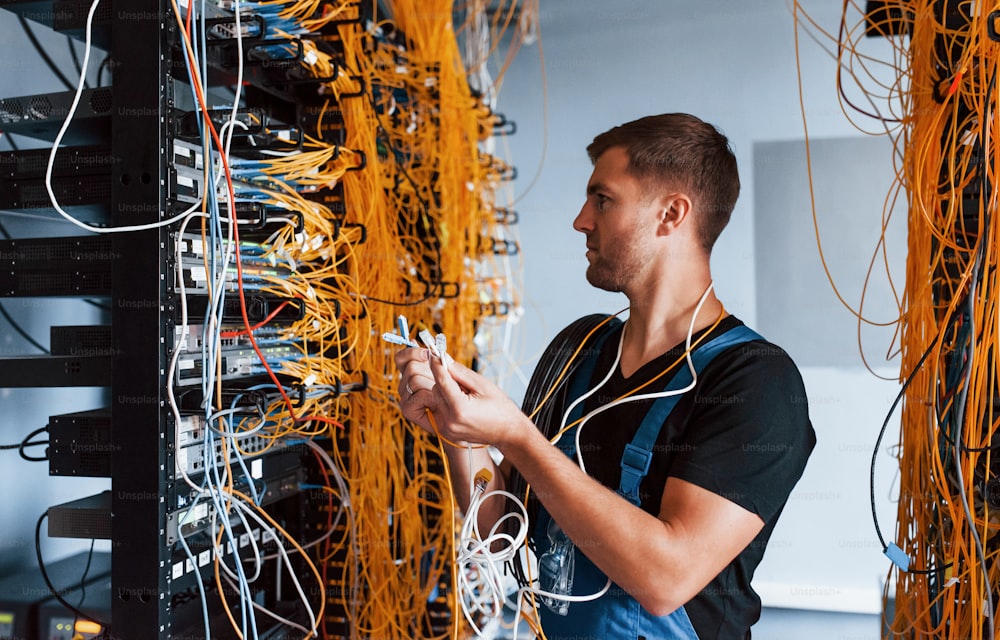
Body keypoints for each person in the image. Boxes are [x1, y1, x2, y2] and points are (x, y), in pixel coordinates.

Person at [394, 113, 816, 639]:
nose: (581, 220)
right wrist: (461, 435)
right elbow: (500, 530)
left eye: (603, 199)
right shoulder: (579, 350)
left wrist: (517, 437)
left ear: (670, 214)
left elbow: (665, 578)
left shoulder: (754, 381)